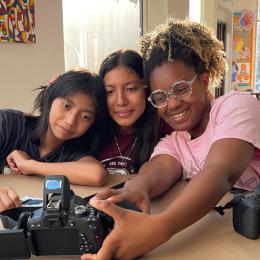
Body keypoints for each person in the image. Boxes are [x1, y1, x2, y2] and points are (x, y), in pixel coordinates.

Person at [81, 18, 260, 260]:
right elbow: (158, 169)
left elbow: (221, 172)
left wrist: (157, 229)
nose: (172, 104)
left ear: (204, 81)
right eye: (160, 96)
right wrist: (136, 189)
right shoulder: (175, 141)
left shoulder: (235, 106)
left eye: (181, 89)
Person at [0, 70, 108, 212]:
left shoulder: (74, 149)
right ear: (50, 97)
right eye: (67, 106)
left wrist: (29, 165)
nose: (70, 121)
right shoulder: (9, 123)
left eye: (85, 116)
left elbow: (96, 174)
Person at [98, 49, 172, 175]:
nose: (121, 101)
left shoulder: (165, 127)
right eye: (110, 91)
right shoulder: (93, 132)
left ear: (147, 89)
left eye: (130, 89)